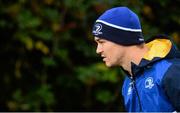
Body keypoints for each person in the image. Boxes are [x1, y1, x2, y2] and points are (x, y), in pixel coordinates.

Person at [92, 6, 180, 112]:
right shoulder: (127, 84)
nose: (98, 50)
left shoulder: (171, 71)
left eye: (101, 42)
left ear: (122, 38)